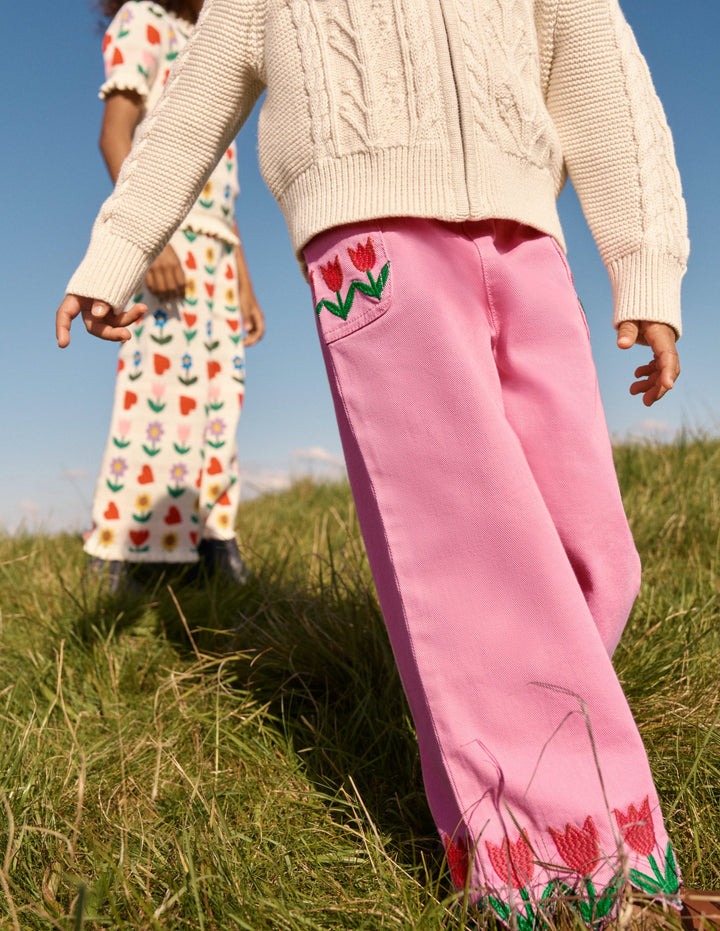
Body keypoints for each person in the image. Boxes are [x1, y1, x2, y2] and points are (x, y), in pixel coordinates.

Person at [56, 0, 705, 924]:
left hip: (526, 229)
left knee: (591, 549)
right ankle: (565, 875)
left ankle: (523, 756)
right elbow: (191, 107)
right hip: (371, 243)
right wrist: (119, 247)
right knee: (474, 549)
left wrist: (645, 261)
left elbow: (598, 67)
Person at [81, 0, 264, 590]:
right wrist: (150, 240)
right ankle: (125, 553)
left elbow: (219, 185)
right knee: (157, 394)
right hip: (170, 242)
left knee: (220, 399)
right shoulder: (142, 20)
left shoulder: (213, 37)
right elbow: (116, 135)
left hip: (217, 255)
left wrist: (245, 281)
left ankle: (212, 540)